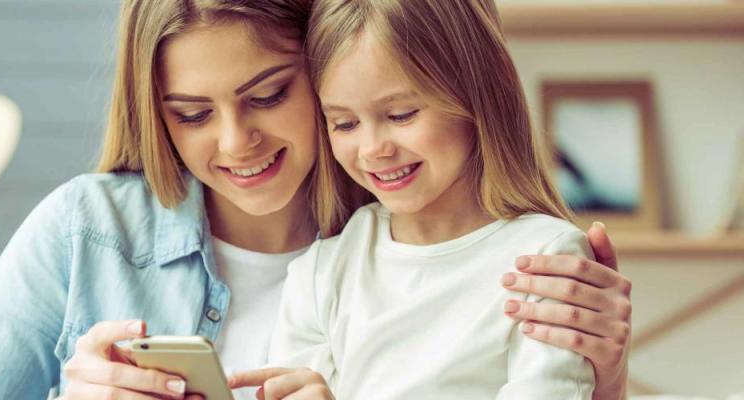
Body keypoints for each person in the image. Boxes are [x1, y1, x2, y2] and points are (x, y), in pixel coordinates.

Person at [0, 1, 631, 399]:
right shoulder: (90, 230)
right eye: (191, 114)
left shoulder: (406, 231)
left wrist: (605, 376)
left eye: (268, 96)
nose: (235, 144)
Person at [233, 0, 630, 399]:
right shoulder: (321, 275)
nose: (372, 149)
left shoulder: (545, 258)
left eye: (402, 114)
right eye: (344, 123)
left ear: (475, 96)